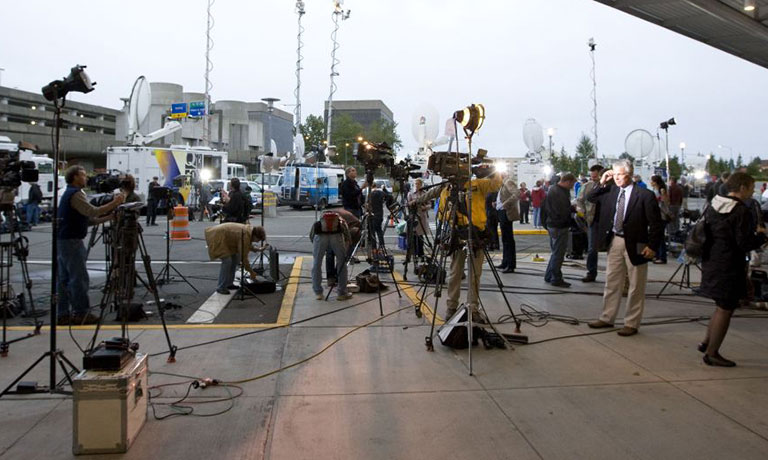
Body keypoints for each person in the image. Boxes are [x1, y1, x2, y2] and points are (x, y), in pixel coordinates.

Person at [698, 173, 768, 366]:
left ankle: (706, 342)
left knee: (720, 305)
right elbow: (743, 242)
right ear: (742, 187)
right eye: (752, 187)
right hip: (728, 264)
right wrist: (762, 237)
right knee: (726, 308)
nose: (753, 191)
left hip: (712, 260)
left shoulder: (715, 204)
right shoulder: (740, 211)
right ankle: (712, 353)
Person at [587, 160, 663, 336]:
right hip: (615, 240)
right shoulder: (611, 190)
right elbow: (591, 198)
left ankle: (631, 322)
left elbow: (656, 224)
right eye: (615, 174)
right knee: (612, 281)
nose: (617, 177)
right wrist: (602, 181)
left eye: (620, 174)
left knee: (636, 284)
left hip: (637, 243)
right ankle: (607, 317)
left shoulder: (644, 195)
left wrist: (652, 246)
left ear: (629, 174)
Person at [415, 170, 503, 322]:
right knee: (455, 273)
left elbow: (495, 184)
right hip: (456, 235)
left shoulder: (477, 185)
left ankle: (473, 308)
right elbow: (435, 203)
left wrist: (491, 170)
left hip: (477, 235)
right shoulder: (446, 189)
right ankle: (451, 307)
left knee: (475, 275)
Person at [57, 166, 125, 325]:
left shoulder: (70, 194)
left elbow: (88, 220)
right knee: (78, 279)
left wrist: (109, 217)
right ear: (74, 177)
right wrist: (115, 202)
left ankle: (63, 313)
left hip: (64, 239)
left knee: (64, 279)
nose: (86, 177)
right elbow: (93, 212)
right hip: (72, 241)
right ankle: (81, 313)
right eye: (83, 175)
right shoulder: (75, 195)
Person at [204, 223, 266, 295]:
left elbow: (247, 245)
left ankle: (229, 284)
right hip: (218, 236)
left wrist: (257, 249)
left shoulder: (249, 232)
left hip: (224, 237)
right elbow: (244, 256)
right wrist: (251, 271)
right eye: (257, 240)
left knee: (235, 259)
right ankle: (221, 287)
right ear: (255, 235)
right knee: (227, 261)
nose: (257, 242)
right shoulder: (246, 235)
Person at [541, 174, 576, 287]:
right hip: (559, 226)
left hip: (553, 225)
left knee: (555, 252)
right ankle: (556, 278)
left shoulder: (554, 190)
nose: (572, 187)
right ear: (567, 181)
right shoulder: (558, 192)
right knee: (558, 253)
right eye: (572, 184)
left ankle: (549, 275)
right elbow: (561, 211)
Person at [310, 211, 353, 301]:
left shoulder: (321, 218)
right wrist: (346, 247)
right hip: (336, 237)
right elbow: (347, 235)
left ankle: (318, 292)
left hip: (320, 236)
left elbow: (312, 234)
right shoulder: (343, 218)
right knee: (341, 263)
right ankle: (342, 293)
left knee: (317, 263)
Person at [577, 164, 603, 282]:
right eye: (592, 177)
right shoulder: (587, 187)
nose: (593, 179)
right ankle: (591, 272)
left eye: (596, 177)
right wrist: (583, 213)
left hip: (608, 221)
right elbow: (580, 201)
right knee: (592, 248)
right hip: (593, 221)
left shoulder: (611, 187)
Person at [325, 208, 362, 285]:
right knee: (336, 254)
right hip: (332, 224)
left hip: (330, 222)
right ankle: (337, 278)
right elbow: (348, 243)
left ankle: (333, 278)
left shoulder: (352, 222)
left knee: (331, 253)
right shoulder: (352, 227)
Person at [495, 178, 520, 273]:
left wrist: (505, 204)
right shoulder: (502, 185)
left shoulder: (508, 182)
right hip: (502, 213)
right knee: (505, 239)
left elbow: (517, 194)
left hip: (506, 213)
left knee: (508, 240)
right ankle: (505, 262)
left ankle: (510, 264)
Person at [406, 179, 430, 258]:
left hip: (422, 216)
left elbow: (430, 204)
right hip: (413, 216)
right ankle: (414, 253)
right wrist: (412, 203)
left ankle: (420, 253)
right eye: (416, 184)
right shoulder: (410, 193)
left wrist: (425, 207)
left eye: (418, 184)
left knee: (420, 236)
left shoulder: (425, 194)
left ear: (421, 184)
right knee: (413, 235)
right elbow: (407, 204)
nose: (417, 185)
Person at [650, 175, 670, 264]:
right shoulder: (654, 190)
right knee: (656, 236)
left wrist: (661, 198)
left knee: (661, 237)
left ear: (656, 182)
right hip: (655, 214)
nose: (651, 182)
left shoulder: (661, 190)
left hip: (662, 215)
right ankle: (656, 255)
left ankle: (662, 257)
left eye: (652, 181)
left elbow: (666, 202)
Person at [365, 182, 392, 248]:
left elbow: (366, 205)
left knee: (372, 232)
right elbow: (389, 196)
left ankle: (373, 247)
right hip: (380, 213)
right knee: (379, 230)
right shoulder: (381, 193)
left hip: (372, 214)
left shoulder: (370, 194)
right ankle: (382, 245)